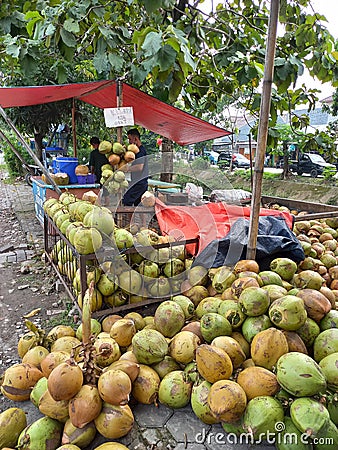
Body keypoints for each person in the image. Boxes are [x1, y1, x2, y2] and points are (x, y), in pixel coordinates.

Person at [123, 128, 148, 206]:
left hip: (139, 184)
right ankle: (142, 219)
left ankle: (127, 219)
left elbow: (139, 167)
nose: (129, 142)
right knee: (139, 205)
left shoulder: (140, 151)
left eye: (130, 139)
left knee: (126, 201)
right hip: (140, 183)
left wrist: (127, 169)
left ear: (135, 138)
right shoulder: (137, 151)